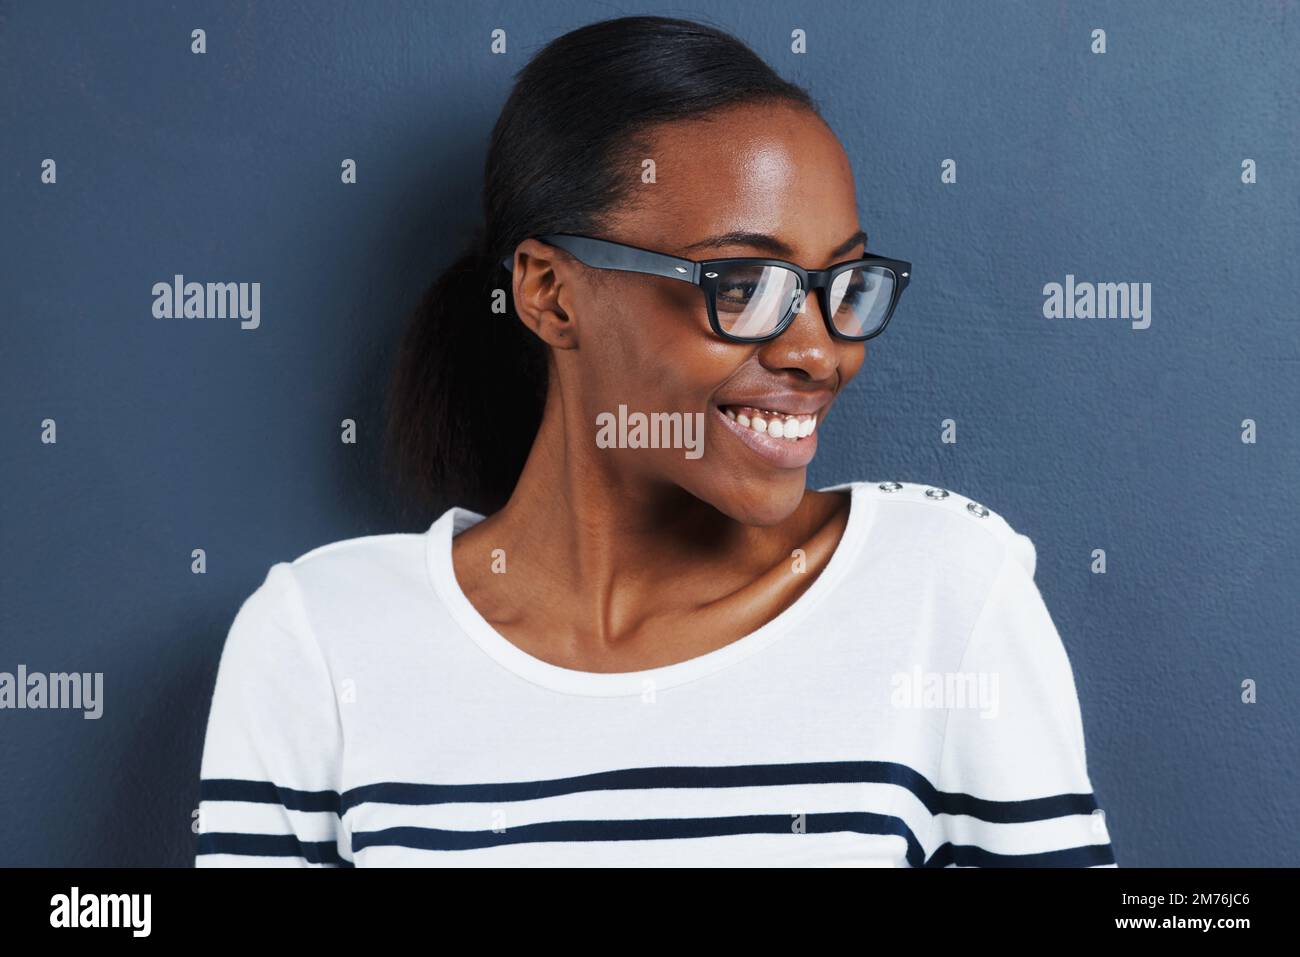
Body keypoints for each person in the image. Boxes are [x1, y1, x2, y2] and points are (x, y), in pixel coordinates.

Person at [196, 14, 1114, 867]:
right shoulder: (320, 640)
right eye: (744, 283)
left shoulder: (942, 594)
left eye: (842, 283)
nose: (818, 350)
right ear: (551, 294)